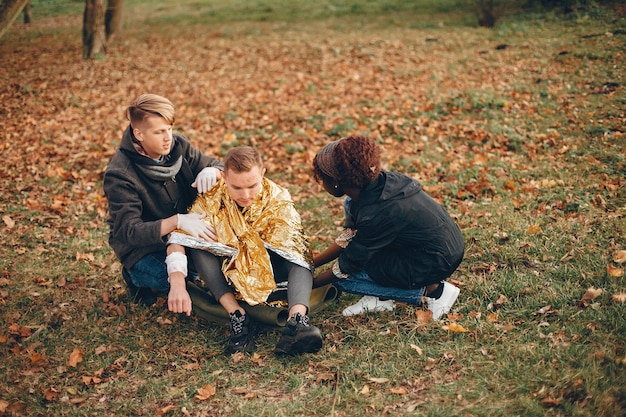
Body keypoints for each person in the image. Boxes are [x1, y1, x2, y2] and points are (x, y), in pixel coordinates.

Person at [168, 146, 323, 355]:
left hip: (274, 272)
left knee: (299, 251)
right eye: (237, 188)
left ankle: (296, 323)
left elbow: (292, 243)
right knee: (198, 245)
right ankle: (238, 316)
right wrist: (176, 281)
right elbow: (177, 237)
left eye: (252, 185)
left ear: (263, 174)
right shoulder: (213, 197)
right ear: (223, 177)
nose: (246, 195)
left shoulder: (278, 197)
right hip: (230, 274)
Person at [312, 136, 464, 320]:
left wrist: (311, 284)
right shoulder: (378, 184)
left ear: (336, 182)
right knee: (350, 205)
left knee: (347, 279)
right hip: (430, 245)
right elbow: (350, 236)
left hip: (433, 260)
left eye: (323, 179)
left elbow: (347, 265)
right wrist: (313, 264)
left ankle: (435, 291)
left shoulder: (378, 213)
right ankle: (382, 296)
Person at [103, 93, 223, 316]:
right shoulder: (120, 174)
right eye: (159, 132)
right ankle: (135, 276)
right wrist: (177, 220)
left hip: (186, 237)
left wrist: (213, 171)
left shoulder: (179, 145)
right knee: (193, 285)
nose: (168, 137)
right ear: (138, 134)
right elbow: (128, 231)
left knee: (220, 275)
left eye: (169, 128)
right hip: (146, 248)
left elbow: (218, 164)